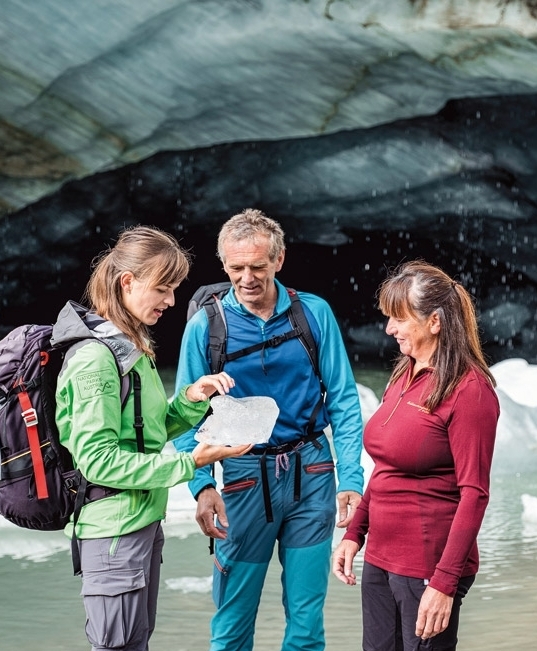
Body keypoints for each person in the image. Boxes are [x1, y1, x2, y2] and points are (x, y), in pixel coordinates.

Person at [54, 225, 254, 651]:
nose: (171, 301)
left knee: (136, 643)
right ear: (128, 282)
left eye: (174, 289)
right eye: (163, 289)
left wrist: (192, 398)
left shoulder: (129, 347)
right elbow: (99, 461)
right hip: (112, 533)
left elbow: (147, 431)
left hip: (141, 524)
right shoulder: (95, 360)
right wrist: (191, 463)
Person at [173, 208, 365, 651]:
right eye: (236, 268)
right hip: (241, 480)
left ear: (279, 260)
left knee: (305, 623)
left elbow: (344, 401)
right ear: (223, 266)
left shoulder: (312, 314)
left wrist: (351, 479)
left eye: (257, 266)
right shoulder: (206, 326)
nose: (247, 278)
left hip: (313, 477)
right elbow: (185, 417)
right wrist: (201, 486)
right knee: (232, 625)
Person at [332, 260, 500, 651]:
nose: (389, 329)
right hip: (380, 558)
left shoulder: (469, 391)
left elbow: (475, 494)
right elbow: (387, 467)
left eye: (399, 319)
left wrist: (444, 582)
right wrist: (355, 534)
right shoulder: (403, 374)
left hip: (427, 564)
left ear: (435, 322)